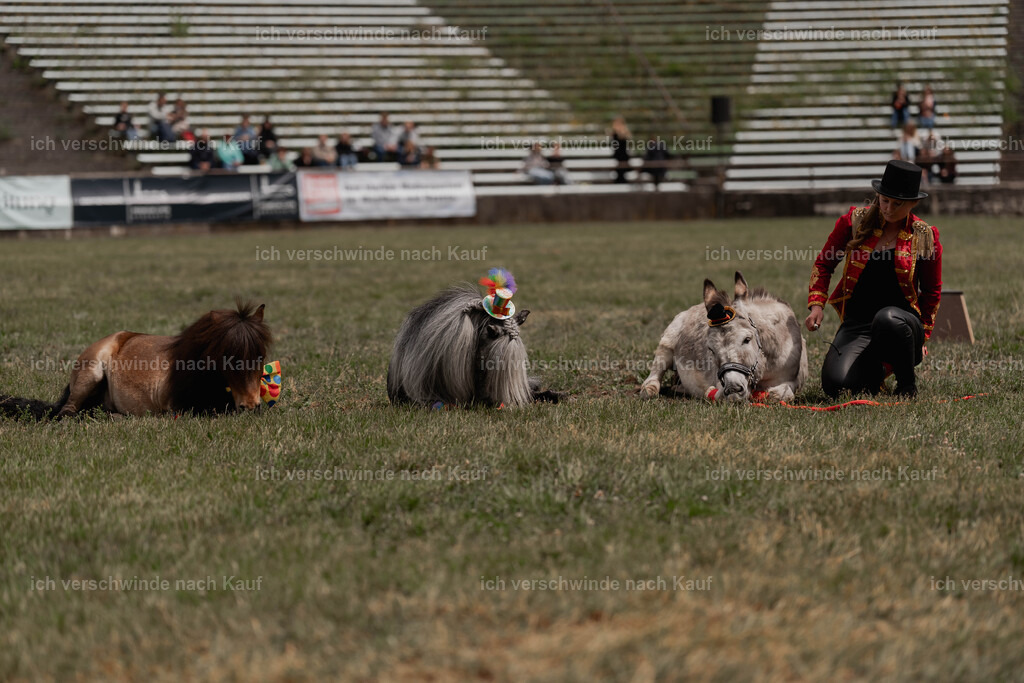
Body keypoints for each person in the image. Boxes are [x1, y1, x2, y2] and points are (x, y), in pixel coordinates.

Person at [806, 160, 942, 398]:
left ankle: (906, 385)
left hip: (901, 325)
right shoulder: (854, 222)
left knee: (886, 318)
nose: (888, 208)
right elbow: (824, 263)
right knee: (835, 386)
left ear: (913, 203)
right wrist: (817, 304)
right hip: (858, 324)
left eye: (897, 204)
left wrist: (924, 335)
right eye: (884, 200)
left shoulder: (924, 236)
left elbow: (931, 291)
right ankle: (875, 371)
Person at [610, 117, 632, 183]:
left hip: (623, 153)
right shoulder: (614, 132)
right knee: (620, 170)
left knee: (622, 169)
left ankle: (621, 179)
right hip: (618, 154)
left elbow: (627, 139)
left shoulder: (624, 132)